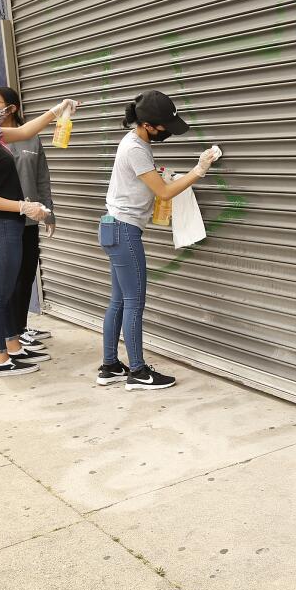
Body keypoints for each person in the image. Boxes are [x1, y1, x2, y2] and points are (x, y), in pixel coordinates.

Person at [96, 89, 218, 391]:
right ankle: (137, 372)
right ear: (148, 125)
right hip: (124, 231)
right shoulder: (136, 147)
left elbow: (148, 182)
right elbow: (163, 193)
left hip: (112, 226)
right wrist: (199, 170)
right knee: (134, 303)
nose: (166, 132)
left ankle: (110, 365)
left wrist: (162, 173)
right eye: (163, 126)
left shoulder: (134, 143)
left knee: (119, 302)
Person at [0, 83, 74, 377]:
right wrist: (22, 206)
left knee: (5, 293)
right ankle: (0, 359)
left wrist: (56, 111)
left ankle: (13, 349)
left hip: (8, 225)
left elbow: (27, 131)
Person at [0, 86, 56, 353]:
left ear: (13, 108)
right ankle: (12, 332)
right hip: (6, 220)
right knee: (11, 277)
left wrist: (49, 212)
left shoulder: (31, 139)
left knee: (26, 274)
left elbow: (42, 178)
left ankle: (20, 328)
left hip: (31, 219)